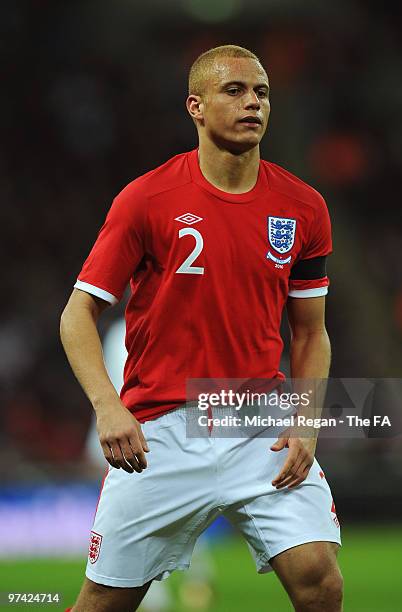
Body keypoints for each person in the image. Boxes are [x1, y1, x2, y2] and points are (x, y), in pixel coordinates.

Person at [60, 45, 343, 612]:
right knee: (103, 604)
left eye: (261, 92)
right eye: (234, 91)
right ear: (196, 106)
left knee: (320, 579)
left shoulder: (303, 207)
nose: (252, 103)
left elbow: (311, 333)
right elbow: (77, 314)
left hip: (256, 423)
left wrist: (306, 420)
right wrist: (107, 405)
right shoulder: (147, 199)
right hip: (160, 430)